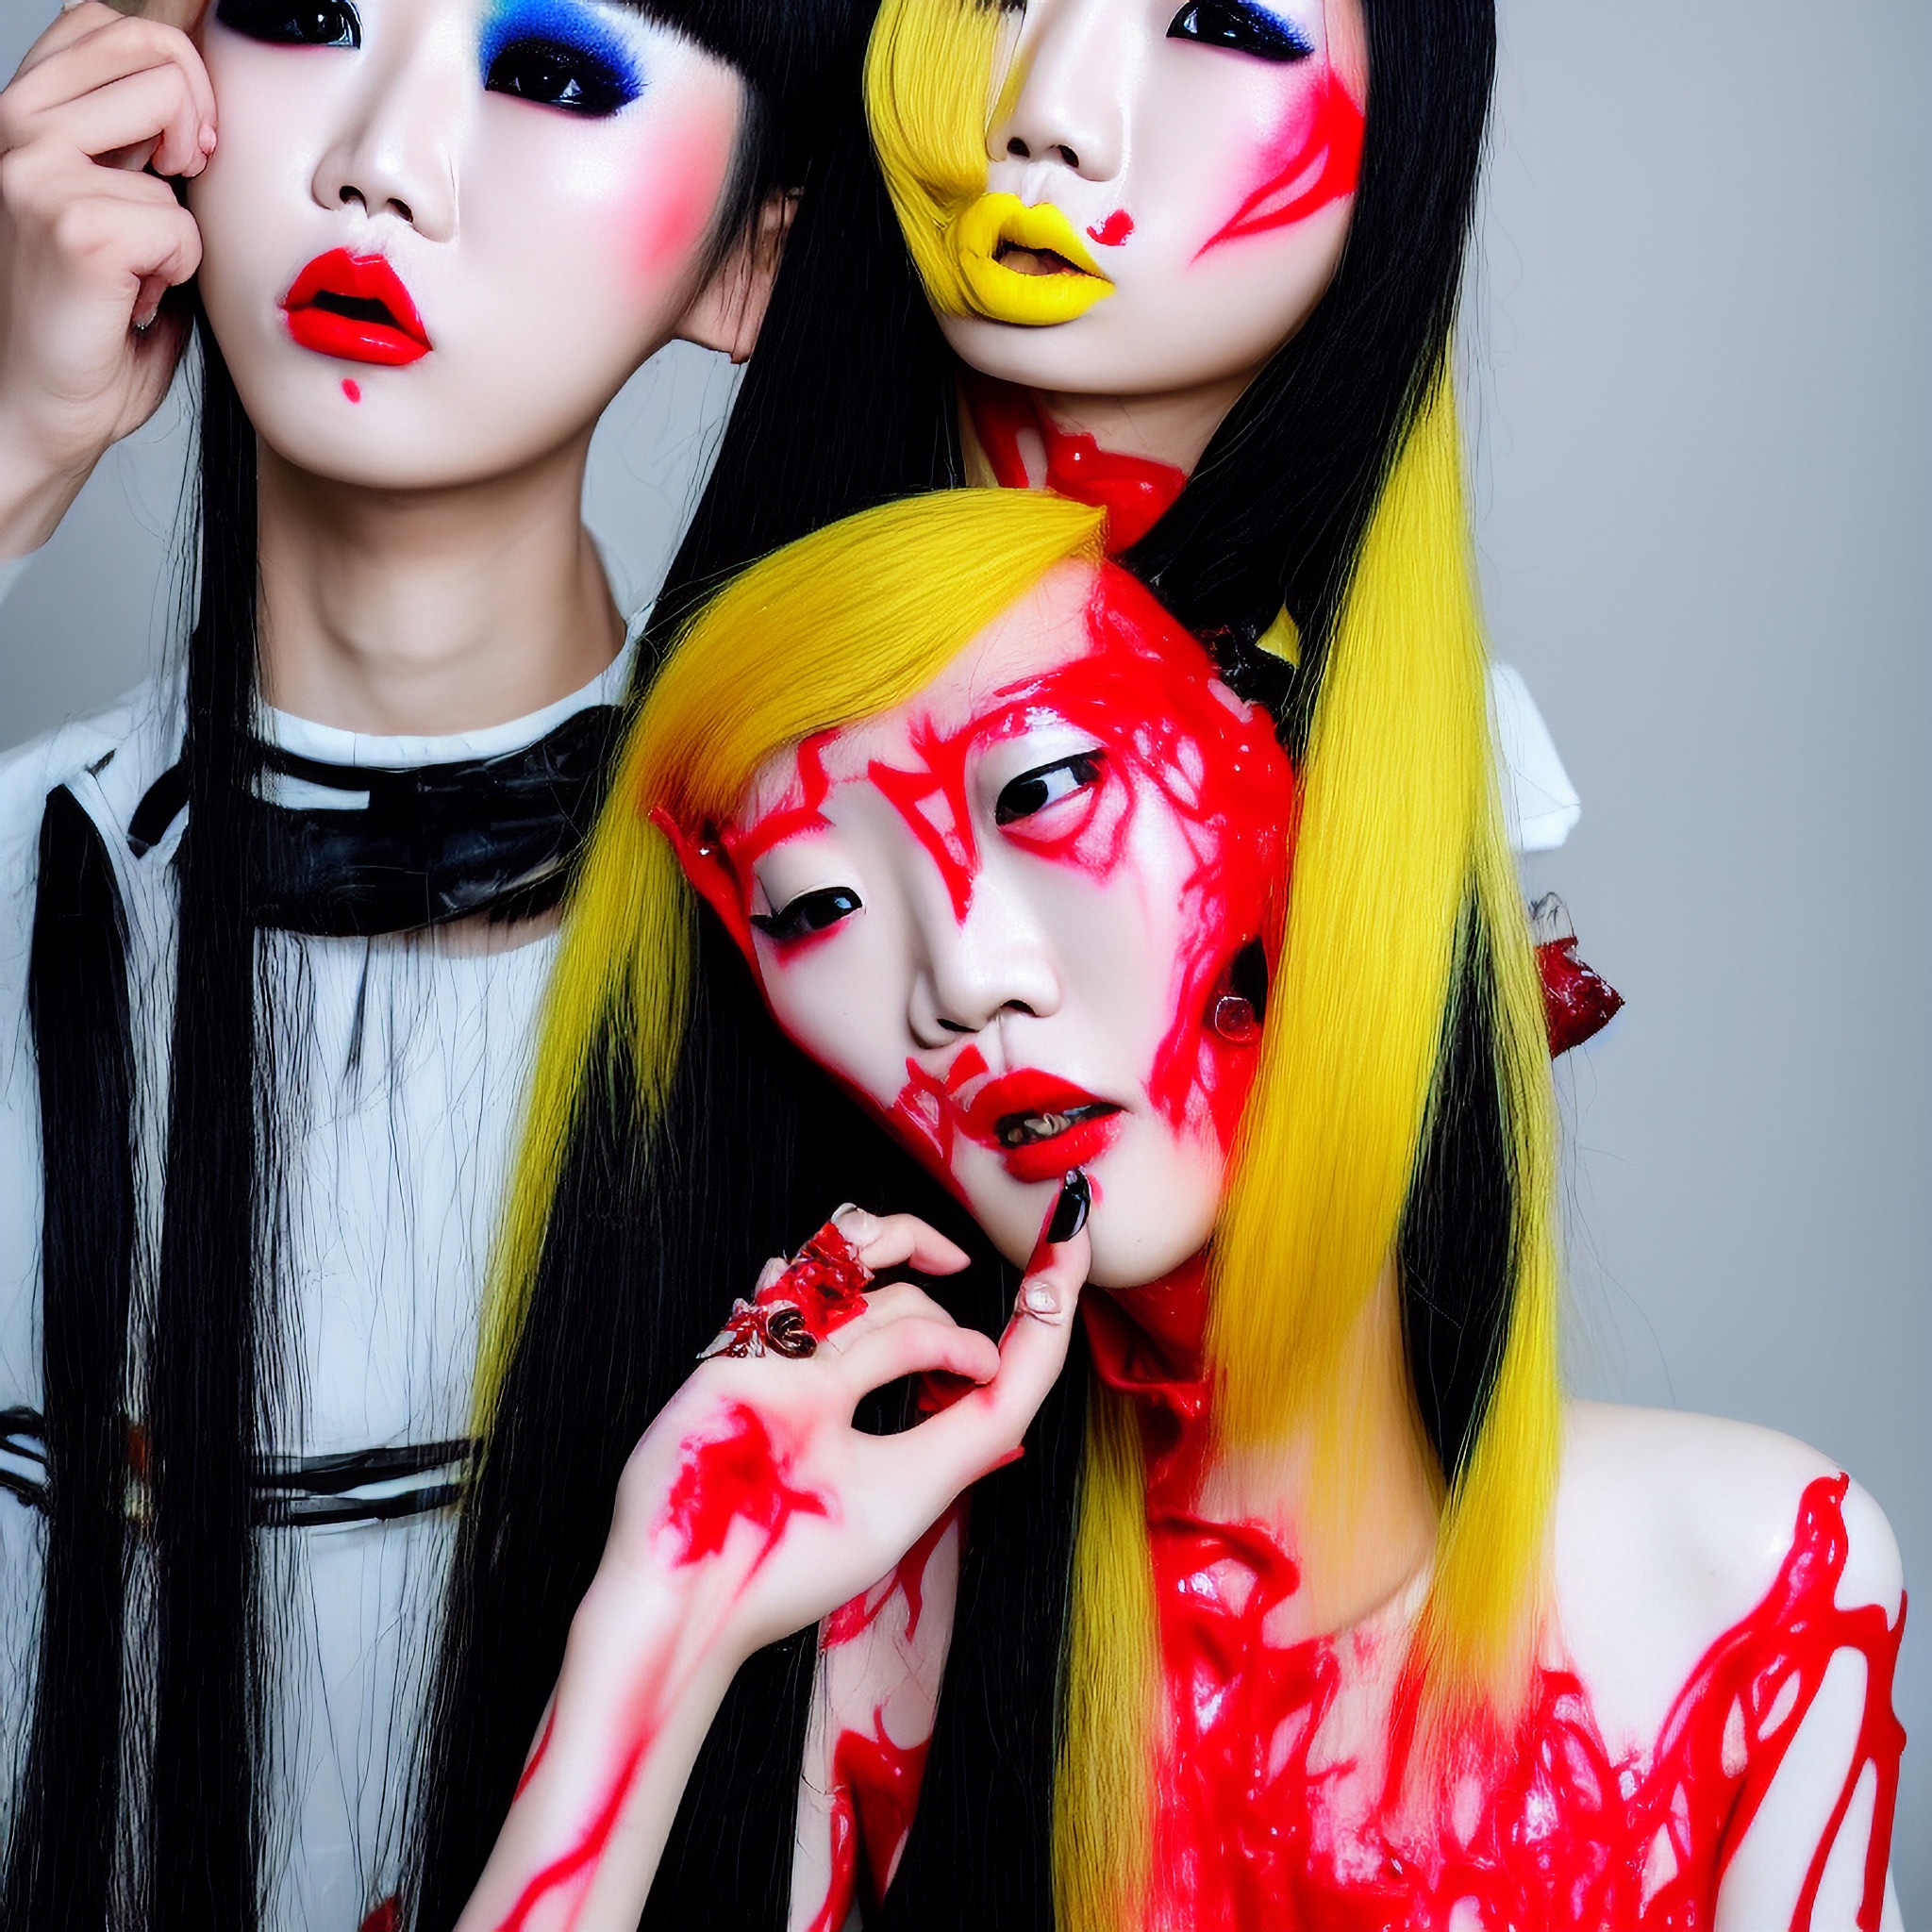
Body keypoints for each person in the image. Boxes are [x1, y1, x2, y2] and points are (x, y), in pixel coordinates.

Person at [450, 487, 1906, 1929]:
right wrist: (662, 1622)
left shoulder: (1754, 1579)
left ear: (1286, 787)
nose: (961, 975)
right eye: (818, 909)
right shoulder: (879, 1656)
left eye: (1041, 792)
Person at [0, 0, 864, 1923]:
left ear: (754, 263)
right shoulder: (17, 870)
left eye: (550, 71)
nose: (376, 158)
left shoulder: (896, 964)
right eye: (308, 16)